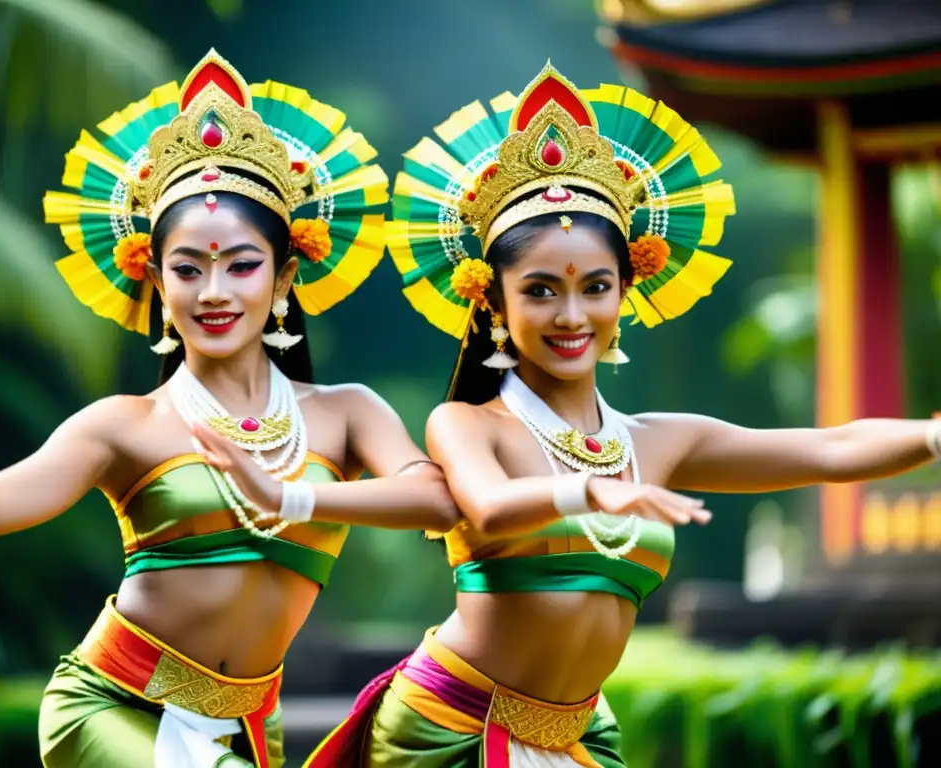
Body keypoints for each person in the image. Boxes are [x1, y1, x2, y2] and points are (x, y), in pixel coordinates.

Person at [302, 62, 941, 767]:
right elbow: (486, 507)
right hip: (452, 725)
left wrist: (931, 436)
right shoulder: (469, 425)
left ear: (624, 290)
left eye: (594, 287)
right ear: (492, 301)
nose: (571, 315)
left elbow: (829, 450)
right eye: (541, 290)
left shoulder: (657, 441)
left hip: (574, 736)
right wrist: (588, 488)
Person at [0, 49, 457, 768]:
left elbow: (437, 502)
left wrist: (287, 495)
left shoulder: (345, 413)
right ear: (154, 278)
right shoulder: (125, 425)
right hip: (114, 706)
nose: (214, 292)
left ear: (285, 274)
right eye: (187, 269)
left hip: (242, 726)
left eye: (241, 265)